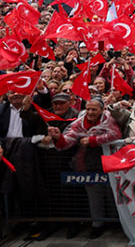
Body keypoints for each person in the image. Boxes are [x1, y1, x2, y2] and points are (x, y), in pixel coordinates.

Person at [48, 97, 122, 238]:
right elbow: (68, 141)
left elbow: (115, 134)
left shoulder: (109, 119)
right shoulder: (79, 123)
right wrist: (58, 138)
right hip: (89, 165)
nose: (90, 112)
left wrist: (92, 140)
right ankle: (97, 225)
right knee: (94, 197)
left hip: (111, 164)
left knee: (113, 195)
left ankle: (117, 223)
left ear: (102, 110)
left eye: (94, 109)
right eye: (88, 109)